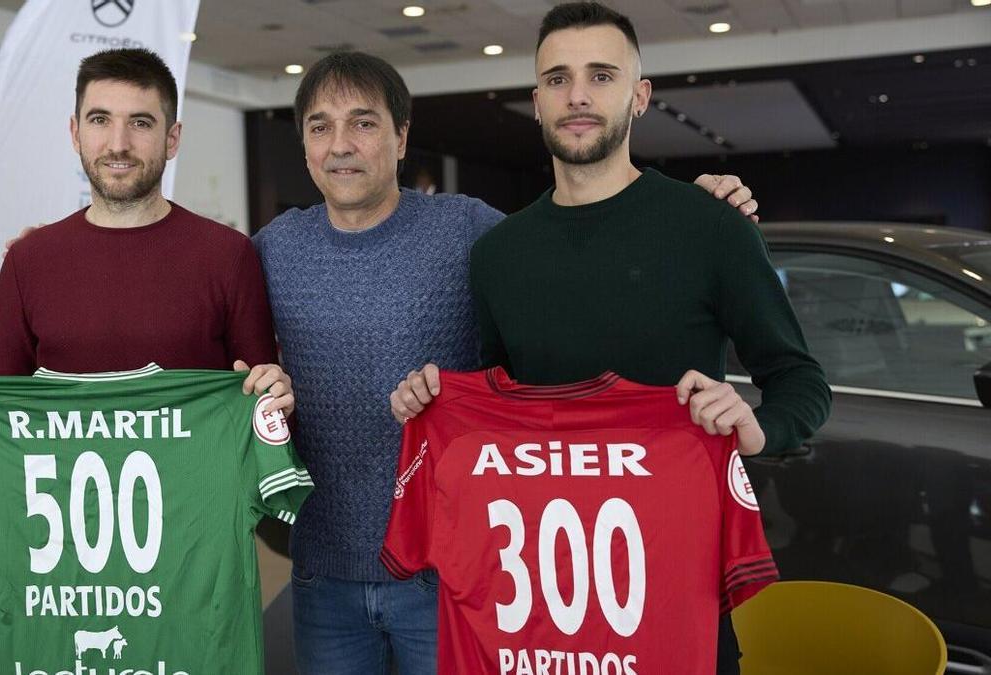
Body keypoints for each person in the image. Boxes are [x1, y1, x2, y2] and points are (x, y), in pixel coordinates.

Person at [255, 50, 764, 674]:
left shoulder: (468, 228)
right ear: (304, 145)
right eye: (319, 126)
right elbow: (226, 352)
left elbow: (582, 243)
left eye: (363, 122)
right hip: (321, 570)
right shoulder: (275, 248)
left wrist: (697, 211)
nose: (341, 144)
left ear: (401, 136)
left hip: (452, 569)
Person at [389, 4, 831, 674]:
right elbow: (497, 407)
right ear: (536, 102)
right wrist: (433, 401)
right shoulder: (500, 254)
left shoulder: (709, 228)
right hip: (534, 613)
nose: (578, 96)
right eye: (558, 79)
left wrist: (756, 426)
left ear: (640, 95)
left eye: (601, 75)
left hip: (677, 595)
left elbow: (801, 379)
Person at [0, 48, 293, 423]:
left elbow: (265, 409)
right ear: (75, 132)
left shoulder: (227, 255)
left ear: (172, 138)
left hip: (202, 481)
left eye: (141, 123)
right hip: (63, 483)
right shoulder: (29, 261)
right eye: (100, 119)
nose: (118, 143)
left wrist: (276, 393)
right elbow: (1, 413)